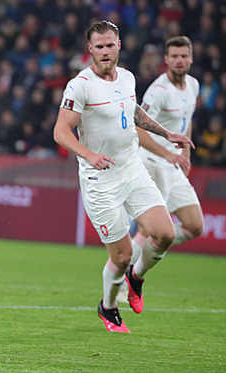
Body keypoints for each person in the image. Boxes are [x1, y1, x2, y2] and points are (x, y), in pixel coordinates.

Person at [53, 21, 194, 333]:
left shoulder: (128, 78)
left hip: (132, 169)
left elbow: (134, 114)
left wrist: (167, 132)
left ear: (119, 45)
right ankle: (108, 306)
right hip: (100, 181)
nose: (105, 51)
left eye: (110, 45)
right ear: (90, 49)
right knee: (122, 254)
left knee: (165, 234)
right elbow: (60, 132)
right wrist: (89, 155)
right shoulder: (80, 85)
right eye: (99, 46)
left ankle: (136, 277)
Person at [117, 36, 204, 304]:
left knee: (194, 226)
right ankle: (123, 283)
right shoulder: (158, 90)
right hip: (152, 164)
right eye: (174, 56)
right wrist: (168, 154)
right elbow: (138, 130)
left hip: (174, 165)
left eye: (184, 56)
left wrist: (185, 152)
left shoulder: (193, 85)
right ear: (166, 60)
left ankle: (135, 265)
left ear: (190, 58)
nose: (179, 60)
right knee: (149, 232)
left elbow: (185, 122)